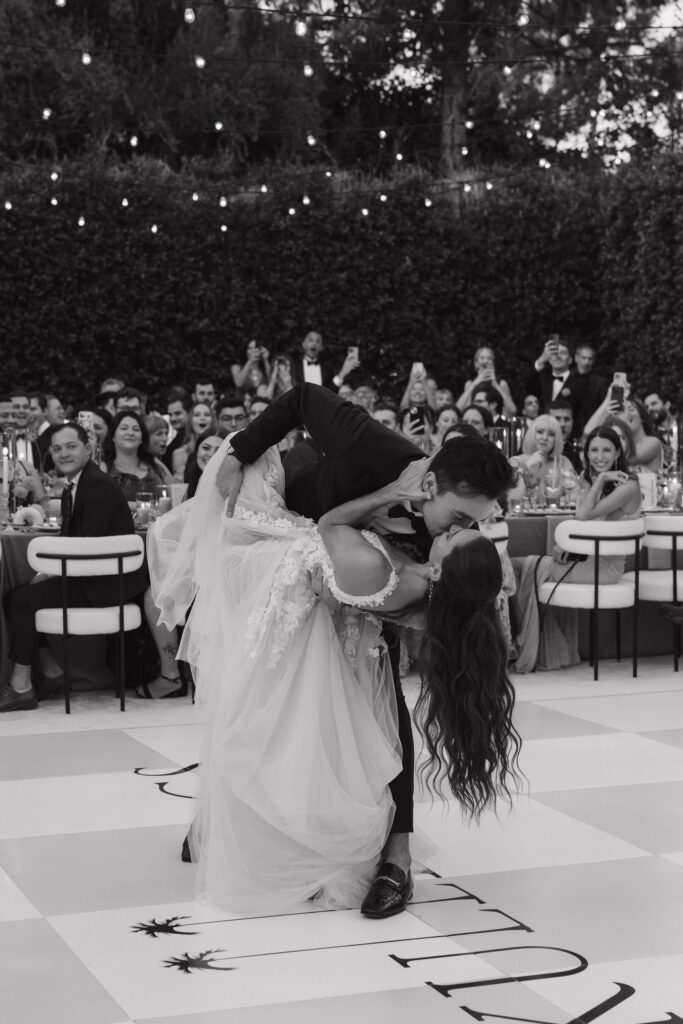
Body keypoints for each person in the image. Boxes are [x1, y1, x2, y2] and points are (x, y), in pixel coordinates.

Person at [149, 431, 520, 913]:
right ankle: (230, 823)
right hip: (306, 601)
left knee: (309, 725)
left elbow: (333, 531)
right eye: (458, 521)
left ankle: (387, 854)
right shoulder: (386, 475)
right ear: (430, 483)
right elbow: (303, 403)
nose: (451, 530)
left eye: (461, 529)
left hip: (305, 606)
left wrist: (382, 518)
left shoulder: (407, 569)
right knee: (293, 726)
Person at [0, 423, 147, 712]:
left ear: (87, 448)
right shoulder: (78, 483)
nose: (63, 453)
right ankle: (52, 672)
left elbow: (85, 546)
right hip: (93, 576)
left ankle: (21, 687)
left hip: (107, 585)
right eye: (57, 449)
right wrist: (48, 572)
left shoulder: (97, 486)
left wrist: (50, 570)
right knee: (16, 596)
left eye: (71, 446)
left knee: (20, 600)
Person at [512, 426, 641, 673]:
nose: (599, 456)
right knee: (517, 566)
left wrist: (602, 479)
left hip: (605, 570)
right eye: (594, 450)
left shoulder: (629, 485)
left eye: (606, 450)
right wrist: (564, 548)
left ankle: (524, 644)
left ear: (617, 454)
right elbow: (584, 527)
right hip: (583, 561)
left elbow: (583, 515)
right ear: (586, 452)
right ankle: (537, 643)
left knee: (517, 566)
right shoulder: (586, 479)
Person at [101, 410, 168, 502]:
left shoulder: (152, 464)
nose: (131, 433)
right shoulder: (104, 467)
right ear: (113, 436)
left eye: (136, 429)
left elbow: (174, 491)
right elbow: (102, 502)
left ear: (142, 438)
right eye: (124, 428)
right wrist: (139, 507)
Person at [456, 347, 517, 418]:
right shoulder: (469, 383)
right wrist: (476, 382)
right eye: (482, 358)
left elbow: (513, 410)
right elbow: (459, 409)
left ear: (493, 363)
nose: (485, 361)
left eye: (489, 358)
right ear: (476, 363)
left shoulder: (501, 383)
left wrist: (496, 385)